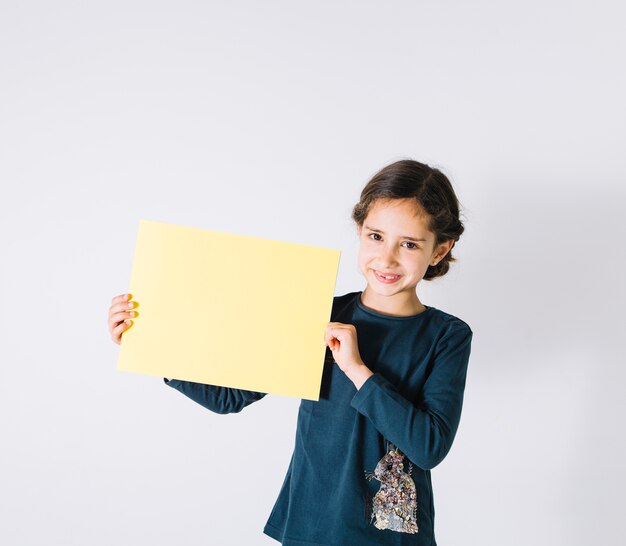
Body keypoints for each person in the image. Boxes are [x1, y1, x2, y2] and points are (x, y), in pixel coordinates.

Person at [107, 159, 474, 546]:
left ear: (440, 250)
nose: (386, 259)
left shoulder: (447, 336)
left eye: (410, 244)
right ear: (359, 230)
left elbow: (429, 446)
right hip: (310, 527)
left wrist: (356, 368)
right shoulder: (317, 313)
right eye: (376, 236)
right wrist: (149, 342)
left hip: (391, 536)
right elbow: (229, 396)